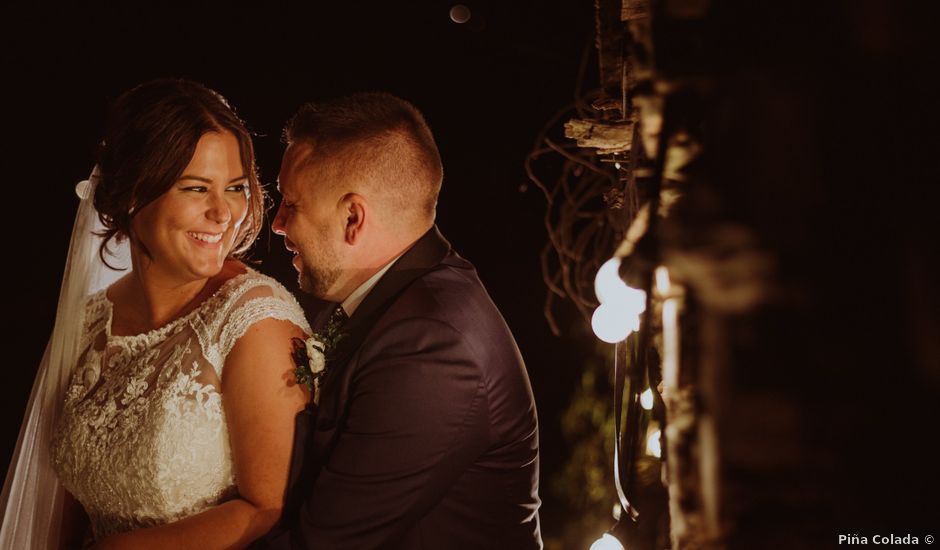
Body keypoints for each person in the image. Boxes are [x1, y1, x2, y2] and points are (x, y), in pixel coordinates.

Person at [0, 79, 311, 549]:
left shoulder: (254, 321)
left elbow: (270, 508)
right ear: (132, 193)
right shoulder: (88, 321)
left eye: (235, 188)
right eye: (195, 188)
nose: (222, 212)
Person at [253, 92, 543, 549]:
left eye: (292, 204)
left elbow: (322, 545)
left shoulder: (435, 347)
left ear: (353, 217)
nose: (278, 224)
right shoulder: (389, 298)